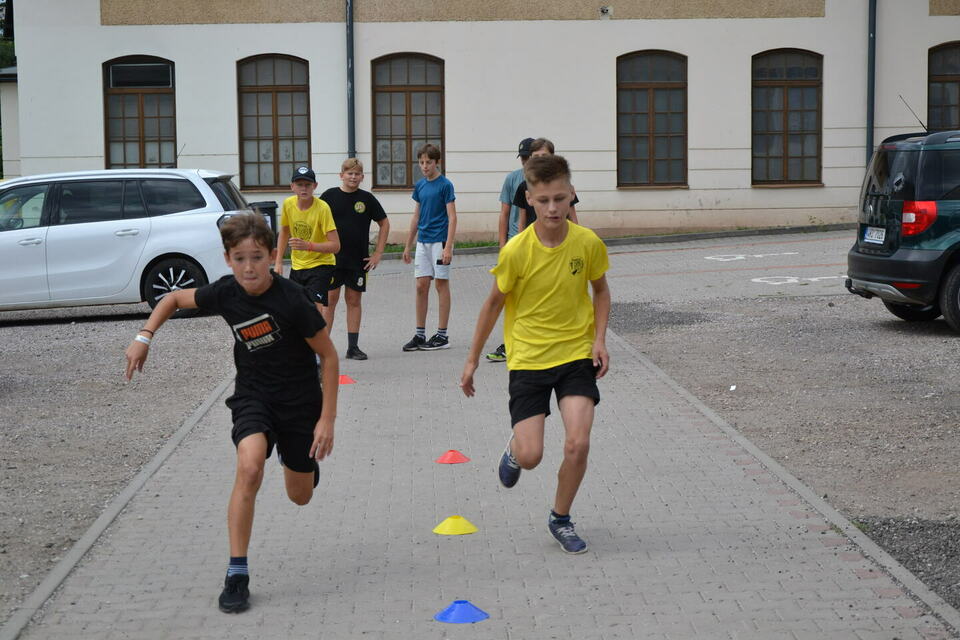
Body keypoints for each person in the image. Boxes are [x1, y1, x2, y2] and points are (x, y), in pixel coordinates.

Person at [124, 213, 339, 613]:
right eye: (239, 259)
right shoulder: (226, 292)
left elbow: (328, 357)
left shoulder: (293, 299)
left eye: (257, 257)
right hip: (254, 396)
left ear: (271, 256)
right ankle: (237, 573)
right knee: (250, 466)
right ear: (228, 259)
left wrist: (327, 419)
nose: (249, 267)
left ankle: (297, 461)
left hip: (300, 403)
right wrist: (144, 336)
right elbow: (173, 298)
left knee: (300, 496)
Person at [459, 154, 610, 555]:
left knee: (578, 444)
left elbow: (601, 291)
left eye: (560, 198)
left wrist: (599, 340)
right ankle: (514, 450)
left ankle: (560, 518)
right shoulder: (516, 251)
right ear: (529, 199)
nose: (553, 208)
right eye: (543, 200)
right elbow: (493, 304)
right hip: (528, 357)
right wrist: (472, 360)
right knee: (531, 456)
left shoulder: (587, 243)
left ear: (572, 194)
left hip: (575, 354)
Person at [320, 158, 390, 360]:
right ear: (341, 175)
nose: (353, 177)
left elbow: (384, 223)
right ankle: (323, 350)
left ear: (362, 177)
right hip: (332, 260)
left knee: (354, 300)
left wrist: (378, 253)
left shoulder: (366, 199)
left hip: (358, 260)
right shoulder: (329, 196)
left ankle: (353, 347)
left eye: (357, 174)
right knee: (329, 301)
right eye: (349, 173)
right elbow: (317, 221)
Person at [401, 143, 457, 351]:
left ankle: (442, 335)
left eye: (429, 162)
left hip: (439, 241)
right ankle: (420, 334)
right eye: (421, 162)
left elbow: (452, 217)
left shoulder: (445, 185)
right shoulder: (420, 186)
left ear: (437, 162)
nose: (425, 166)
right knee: (420, 285)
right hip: (423, 242)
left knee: (441, 284)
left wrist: (448, 247)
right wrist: (408, 245)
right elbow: (416, 216)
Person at [485, 137, 533, 363]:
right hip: (515, 244)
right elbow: (504, 214)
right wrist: (503, 247)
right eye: (523, 158)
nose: (526, 161)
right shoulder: (513, 179)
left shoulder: (547, 180)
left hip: (540, 244)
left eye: (529, 157)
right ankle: (510, 342)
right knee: (511, 297)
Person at [274, 166, 340, 314]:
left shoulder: (323, 208)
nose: (304, 188)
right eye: (299, 184)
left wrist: (308, 245)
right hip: (298, 265)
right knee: (297, 309)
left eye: (308, 185)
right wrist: (278, 262)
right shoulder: (288, 204)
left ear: (315, 186)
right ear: (292, 186)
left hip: (321, 264)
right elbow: (284, 231)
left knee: (314, 308)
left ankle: (316, 329)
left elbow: (336, 246)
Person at [513, 138, 580, 231]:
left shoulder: (563, 185)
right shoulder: (523, 187)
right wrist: (521, 239)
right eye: (536, 156)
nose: (540, 160)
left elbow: (573, 216)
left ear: (552, 157)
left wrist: (577, 236)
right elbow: (522, 220)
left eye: (544, 156)